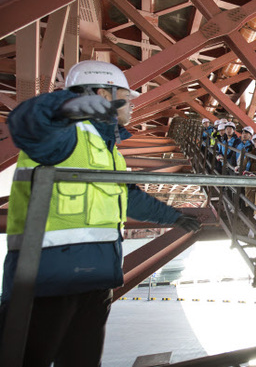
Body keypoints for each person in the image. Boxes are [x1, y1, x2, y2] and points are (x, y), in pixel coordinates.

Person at [0, 60, 201, 367]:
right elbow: (27, 122)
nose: (132, 106)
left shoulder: (109, 151)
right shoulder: (64, 136)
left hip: (95, 280)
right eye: (126, 96)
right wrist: (71, 106)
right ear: (103, 96)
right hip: (45, 278)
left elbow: (129, 196)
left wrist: (173, 216)